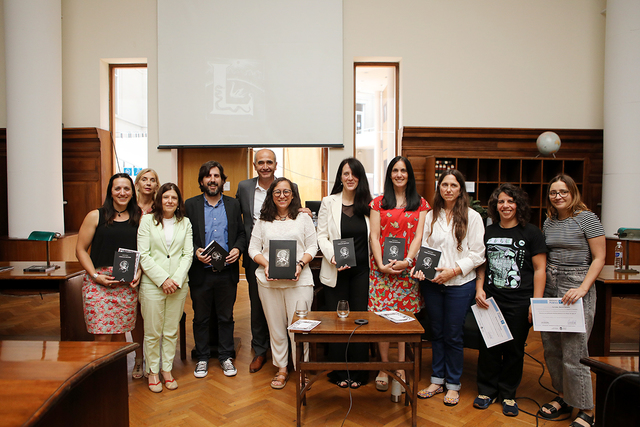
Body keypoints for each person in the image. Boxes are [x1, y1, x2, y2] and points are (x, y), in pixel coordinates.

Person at [473, 183, 546, 416]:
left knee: (514, 350)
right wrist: (479, 288)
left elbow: (540, 269)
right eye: (501, 201)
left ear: (518, 205)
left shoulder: (531, 233)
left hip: (520, 301)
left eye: (510, 201)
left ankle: (508, 395)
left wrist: (536, 303)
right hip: (492, 301)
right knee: (489, 347)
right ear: (495, 206)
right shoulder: (489, 231)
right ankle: (486, 391)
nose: (505, 205)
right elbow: (482, 264)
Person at [538, 174, 605, 427]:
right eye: (553, 192)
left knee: (575, 351)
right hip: (551, 284)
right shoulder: (549, 221)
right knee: (552, 347)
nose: (558, 196)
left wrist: (583, 288)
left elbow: (599, 257)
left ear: (573, 192)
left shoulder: (587, 218)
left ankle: (587, 407)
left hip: (576, 286)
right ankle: (564, 397)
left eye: (563, 192)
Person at [414, 169, 485, 406]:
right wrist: (425, 270)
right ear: (439, 188)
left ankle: (453, 384)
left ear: (460, 189)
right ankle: (437, 379)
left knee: (454, 334)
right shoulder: (430, 214)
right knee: (437, 332)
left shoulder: (472, 217)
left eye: (453, 185)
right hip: (433, 284)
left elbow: (478, 254)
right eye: (444, 185)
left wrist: (453, 271)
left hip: (459, 284)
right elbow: (425, 246)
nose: (448, 189)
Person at [248, 177, 318, 390]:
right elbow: (253, 249)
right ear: (271, 195)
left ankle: (301, 368)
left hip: (300, 281)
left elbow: (312, 246)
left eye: (286, 191)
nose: (282, 195)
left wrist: (300, 263)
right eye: (277, 192)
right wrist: (266, 264)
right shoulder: (263, 221)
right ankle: (281, 368)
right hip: (269, 282)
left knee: (299, 329)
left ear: (293, 194)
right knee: (276, 328)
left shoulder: (303, 218)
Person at [368, 156, 429, 392]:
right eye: (395, 170)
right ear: (389, 174)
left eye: (403, 170)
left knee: (403, 320)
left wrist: (407, 261)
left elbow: (419, 237)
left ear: (409, 174)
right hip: (381, 271)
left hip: (406, 272)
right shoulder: (378, 203)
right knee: (383, 320)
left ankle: (401, 366)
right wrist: (381, 264)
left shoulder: (421, 203)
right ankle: (384, 366)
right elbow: (374, 236)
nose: (399, 174)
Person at [185, 161, 246, 379]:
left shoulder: (233, 205)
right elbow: (184, 237)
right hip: (201, 272)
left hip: (226, 272)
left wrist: (238, 249)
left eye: (217, 176)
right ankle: (202, 358)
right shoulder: (190, 205)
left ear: (222, 180)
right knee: (200, 318)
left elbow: (241, 233)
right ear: (202, 181)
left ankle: (225, 357)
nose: (213, 180)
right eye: (208, 176)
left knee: (225, 317)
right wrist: (194, 251)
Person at [317, 158, 372, 388]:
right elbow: (321, 236)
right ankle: (340, 372)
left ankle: (359, 372)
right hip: (336, 270)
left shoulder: (369, 204)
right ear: (340, 176)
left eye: (354, 173)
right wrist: (333, 256)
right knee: (338, 321)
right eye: (345, 173)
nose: (350, 178)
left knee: (359, 320)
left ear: (360, 177)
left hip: (361, 273)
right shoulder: (328, 202)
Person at [137, 183, 193, 393]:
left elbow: (188, 254)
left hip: (178, 285)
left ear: (179, 202)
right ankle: (152, 371)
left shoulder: (185, 223)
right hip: (153, 285)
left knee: (170, 331)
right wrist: (163, 280)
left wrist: (176, 279)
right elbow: (144, 255)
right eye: (166, 197)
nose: (170, 201)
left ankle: (167, 369)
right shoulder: (147, 222)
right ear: (159, 200)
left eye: (174, 198)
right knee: (152, 332)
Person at [76, 173, 142, 341]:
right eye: (117, 188)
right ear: (110, 192)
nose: (122, 192)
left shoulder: (140, 218)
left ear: (133, 192)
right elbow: (81, 250)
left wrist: (139, 272)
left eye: (127, 188)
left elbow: (146, 252)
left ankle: (119, 368)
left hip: (126, 284)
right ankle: (103, 368)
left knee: (120, 335)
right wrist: (95, 276)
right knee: (102, 337)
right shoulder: (95, 216)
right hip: (98, 283)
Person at [235, 149, 278, 373]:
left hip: (281, 254)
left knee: (280, 301)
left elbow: (295, 211)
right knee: (257, 302)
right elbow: (236, 216)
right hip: (254, 254)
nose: (265, 166)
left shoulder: (287, 186)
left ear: (276, 164)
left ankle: (281, 349)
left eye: (269, 162)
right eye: (260, 162)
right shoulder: (244, 187)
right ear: (255, 165)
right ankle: (260, 350)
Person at [131, 168, 160, 379]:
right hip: (130, 266)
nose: (148, 183)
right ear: (138, 183)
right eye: (144, 179)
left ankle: (153, 361)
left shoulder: (160, 209)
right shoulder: (127, 208)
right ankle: (138, 358)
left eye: (152, 180)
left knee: (150, 316)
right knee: (135, 317)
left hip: (152, 267)